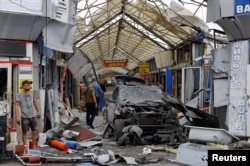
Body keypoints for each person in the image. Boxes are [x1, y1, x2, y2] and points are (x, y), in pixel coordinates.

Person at [15, 80, 40, 148]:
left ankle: (33, 145)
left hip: (33, 115)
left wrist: (38, 111)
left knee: (35, 131)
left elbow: (35, 102)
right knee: (24, 132)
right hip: (24, 116)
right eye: (28, 85)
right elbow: (17, 106)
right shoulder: (19, 95)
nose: (29, 86)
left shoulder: (32, 93)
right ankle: (25, 146)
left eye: (29, 85)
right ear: (23, 86)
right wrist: (17, 117)